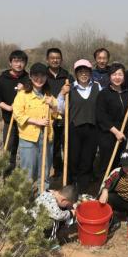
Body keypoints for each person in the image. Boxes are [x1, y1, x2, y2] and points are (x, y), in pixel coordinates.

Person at [57, 59, 101, 194]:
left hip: (92, 129)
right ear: (76, 73)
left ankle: (82, 190)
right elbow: (60, 109)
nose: (84, 74)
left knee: (87, 161)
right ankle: (70, 190)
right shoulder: (69, 88)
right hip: (74, 129)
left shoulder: (97, 87)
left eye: (86, 71)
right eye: (80, 71)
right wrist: (61, 94)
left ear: (90, 73)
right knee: (72, 160)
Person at [12, 63, 57, 190]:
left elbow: (57, 115)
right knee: (28, 171)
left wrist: (53, 106)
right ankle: (26, 200)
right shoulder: (23, 95)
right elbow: (18, 115)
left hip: (46, 137)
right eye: (36, 76)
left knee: (45, 169)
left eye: (42, 76)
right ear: (30, 77)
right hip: (29, 138)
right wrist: (37, 121)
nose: (39, 79)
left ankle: (42, 196)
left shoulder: (48, 95)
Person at [95, 62, 128, 179]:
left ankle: (116, 188)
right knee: (107, 163)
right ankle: (103, 188)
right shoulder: (103, 94)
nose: (117, 77)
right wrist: (116, 132)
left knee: (120, 163)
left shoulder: (127, 92)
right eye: (114, 74)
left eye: (120, 74)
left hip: (123, 133)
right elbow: (101, 117)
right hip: (108, 133)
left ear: (124, 77)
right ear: (109, 76)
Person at [0, 50, 29, 177]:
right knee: (9, 151)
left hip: (26, 122)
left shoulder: (28, 79)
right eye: (16, 61)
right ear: (10, 63)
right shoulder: (2, 79)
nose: (19, 64)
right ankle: (7, 178)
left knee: (26, 151)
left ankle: (24, 178)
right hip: (10, 122)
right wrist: (9, 108)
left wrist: (24, 90)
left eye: (22, 61)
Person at [45, 48, 75, 179]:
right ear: (47, 59)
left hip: (65, 116)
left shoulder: (67, 76)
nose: (55, 60)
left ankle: (67, 170)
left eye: (57, 58)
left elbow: (74, 94)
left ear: (61, 60)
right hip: (48, 116)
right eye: (52, 58)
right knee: (53, 144)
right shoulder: (43, 76)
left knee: (67, 143)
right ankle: (56, 170)